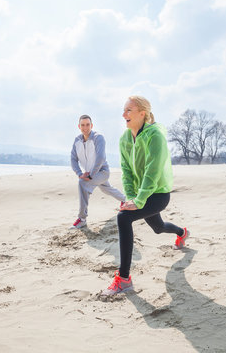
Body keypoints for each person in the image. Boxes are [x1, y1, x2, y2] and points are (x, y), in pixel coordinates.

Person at [101, 96, 189, 296]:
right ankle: (182, 232)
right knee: (158, 228)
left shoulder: (155, 136)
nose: (124, 115)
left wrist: (139, 201)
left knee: (123, 218)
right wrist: (131, 198)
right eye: (124, 110)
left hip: (158, 194)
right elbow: (126, 171)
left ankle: (124, 279)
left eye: (129, 110)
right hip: (141, 194)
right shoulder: (124, 138)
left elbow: (152, 171)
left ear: (142, 113)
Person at [70, 115, 125, 229]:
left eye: (87, 124)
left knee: (83, 184)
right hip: (90, 173)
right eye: (83, 125)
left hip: (102, 171)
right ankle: (124, 200)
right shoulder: (77, 140)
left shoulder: (98, 138)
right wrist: (80, 174)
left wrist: (91, 175)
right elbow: (73, 159)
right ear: (79, 126)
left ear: (92, 125)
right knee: (107, 189)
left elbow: (100, 158)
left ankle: (82, 218)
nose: (85, 127)